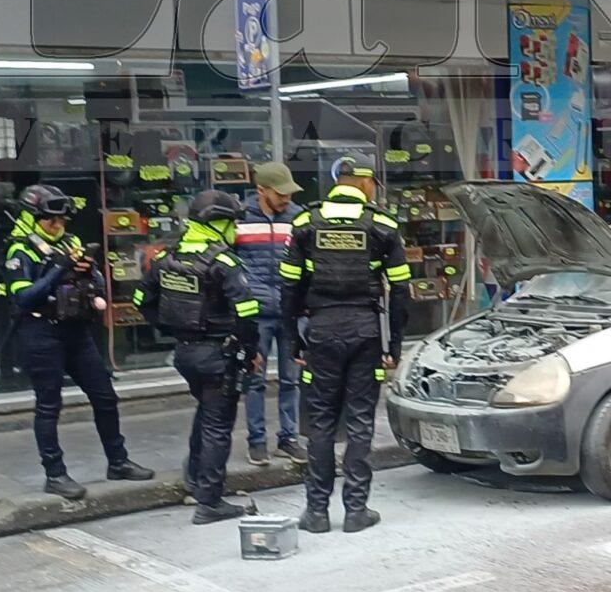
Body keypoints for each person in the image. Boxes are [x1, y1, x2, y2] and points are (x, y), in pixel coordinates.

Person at [280, 157, 410, 535]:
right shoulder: (382, 225)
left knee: (319, 423)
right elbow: (401, 291)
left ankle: (316, 513)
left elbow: (288, 287)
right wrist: (395, 347)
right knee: (359, 422)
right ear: (364, 184)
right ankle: (356, 510)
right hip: (364, 332)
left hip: (320, 331)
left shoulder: (305, 222)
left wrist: (293, 342)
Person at [2, 185, 153, 500]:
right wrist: (59, 269)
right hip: (40, 332)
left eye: (62, 220)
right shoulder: (20, 250)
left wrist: (90, 274)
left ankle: (118, 461)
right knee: (49, 405)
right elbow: (23, 297)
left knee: (105, 396)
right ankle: (55, 474)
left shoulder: (71, 242)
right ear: (33, 218)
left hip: (76, 330)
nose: (59, 226)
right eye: (51, 221)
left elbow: (95, 279)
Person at [134, 190, 262, 525]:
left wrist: (172, 328)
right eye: (232, 223)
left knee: (206, 415)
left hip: (185, 353)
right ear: (218, 224)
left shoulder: (167, 257)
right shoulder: (224, 263)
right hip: (219, 354)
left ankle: (194, 477)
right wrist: (251, 353)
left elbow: (140, 299)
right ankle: (209, 502)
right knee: (219, 426)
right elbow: (248, 313)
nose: (235, 231)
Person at [237, 162, 306, 467]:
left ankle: (288, 439)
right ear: (260, 191)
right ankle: (257, 441)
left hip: (291, 312)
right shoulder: (239, 219)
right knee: (255, 379)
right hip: (257, 313)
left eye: (290, 193)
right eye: (281, 194)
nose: (287, 199)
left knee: (292, 379)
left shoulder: (299, 218)